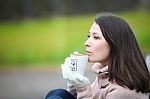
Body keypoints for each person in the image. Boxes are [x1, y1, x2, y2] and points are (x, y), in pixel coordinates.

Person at [45, 12, 150, 99]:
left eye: (96, 37)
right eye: (88, 36)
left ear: (114, 43)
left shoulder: (122, 92)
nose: (86, 42)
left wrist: (83, 89)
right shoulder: (104, 75)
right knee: (58, 94)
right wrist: (74, 81)